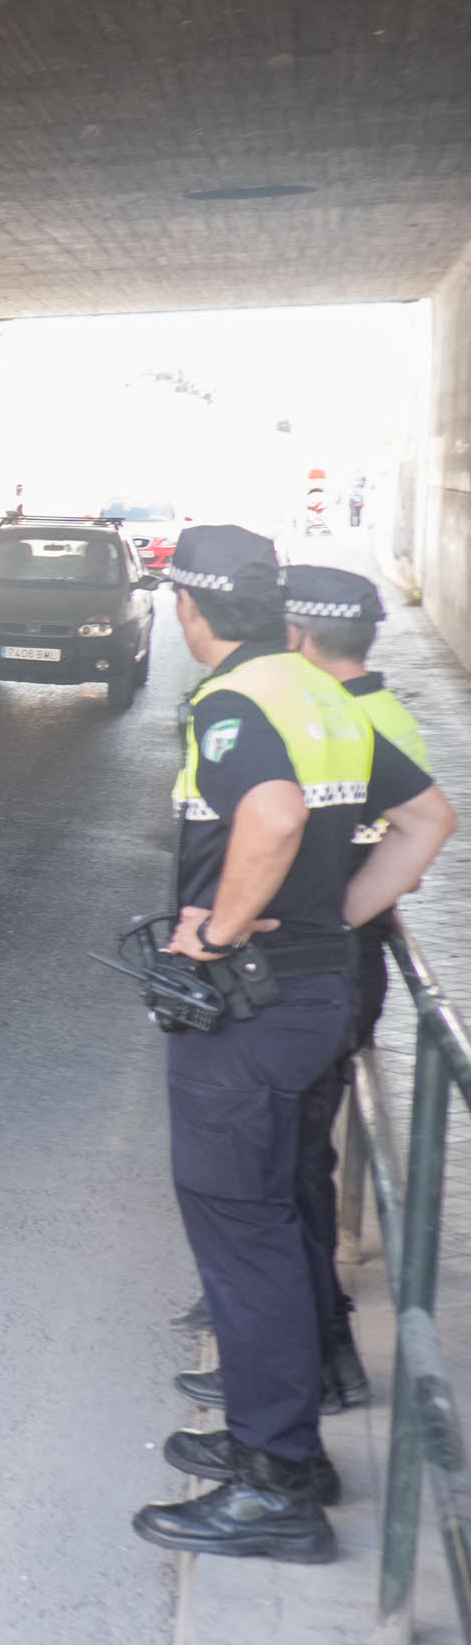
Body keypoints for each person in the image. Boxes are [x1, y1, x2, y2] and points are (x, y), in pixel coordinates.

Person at [132, 529, 442, 1563]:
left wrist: (217, 933)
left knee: (243, 1231)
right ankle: (286, 1453)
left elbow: (265, 815)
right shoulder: (321, 697)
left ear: (194, 609)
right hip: (310, 992)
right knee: (270, 1216)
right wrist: (333, 924)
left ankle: (276, 1486)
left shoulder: (235, 702)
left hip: (249, 1010)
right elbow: (429, 820)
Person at [275, 566, 453, 1415]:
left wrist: (333, 917)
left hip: (334, 968)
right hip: (342, 965)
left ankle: (320, 1358)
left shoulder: (357, 721)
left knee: (296, 1165)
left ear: (298, 636)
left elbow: (410, 855)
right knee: (297, 1160)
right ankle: (309, 1345)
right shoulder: (378, 714)